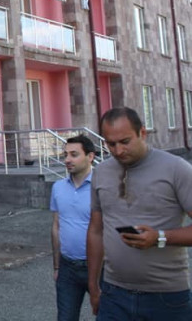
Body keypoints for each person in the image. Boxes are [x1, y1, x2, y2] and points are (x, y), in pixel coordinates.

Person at [87, 106, 192, 320]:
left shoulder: (176, 169)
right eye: (111, 144)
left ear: (142, 133)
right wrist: (93, 285)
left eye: (125, 141)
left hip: (167, 298)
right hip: (113, 294)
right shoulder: (100, 172)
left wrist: (159, 237)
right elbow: (96, 231)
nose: (118, 151)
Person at [50, 135, 96, 321]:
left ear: (90, 156)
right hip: (67, 268)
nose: (67, 160)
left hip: (99, 268)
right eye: (65, 155)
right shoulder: (58, 187)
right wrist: (57, 266)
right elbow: (56, 226)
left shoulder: (102, 187)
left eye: (74, 154)